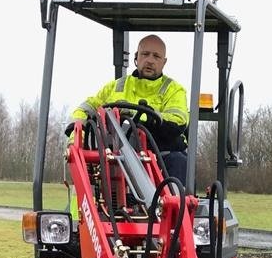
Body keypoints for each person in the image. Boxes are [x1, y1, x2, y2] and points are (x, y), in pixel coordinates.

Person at [71, 34, 189, 181]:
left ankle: (174, 202)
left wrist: (137, 116)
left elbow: (177, 120)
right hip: (116, 154)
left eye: (156, 56)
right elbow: (87, 107)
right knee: (88, 164)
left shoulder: (173, 90)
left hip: (160, 156)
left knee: (178, 161)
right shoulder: (116, 86)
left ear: (164, 62)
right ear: (136, 57)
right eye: (145, 54)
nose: (150, 60)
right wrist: (76, 135)